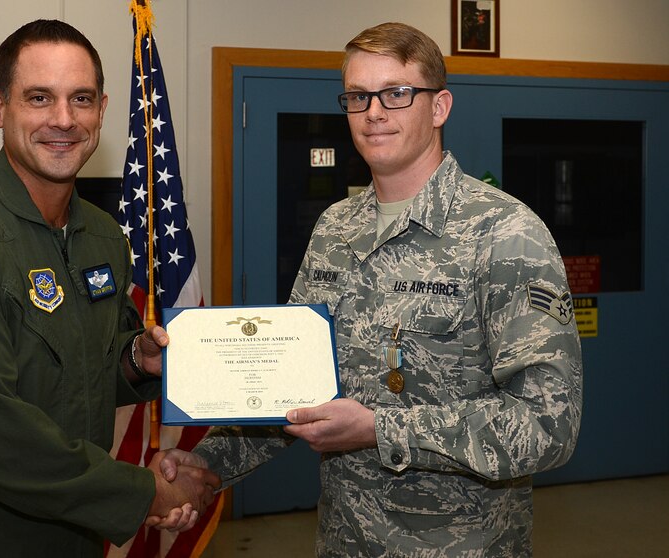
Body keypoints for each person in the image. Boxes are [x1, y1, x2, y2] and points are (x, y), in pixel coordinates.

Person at [156, 22, 583, 557]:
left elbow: (548, 424)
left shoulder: (505, 234)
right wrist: (205, 465)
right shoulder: (335, 229)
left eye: (396, 93)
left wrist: (382, 429)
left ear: (439, 107)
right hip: (344, 541)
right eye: (358, 96)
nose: (374, 112)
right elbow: (288, 388)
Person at [0, 19, 219, 557]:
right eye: (39, 98)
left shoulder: (101, 238)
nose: (64, 119)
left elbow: (76, 378)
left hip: (75, 533)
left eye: (81, 99)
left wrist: (136, 361)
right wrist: (144, 493)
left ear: (102, 110)